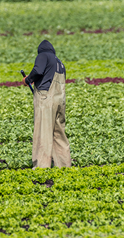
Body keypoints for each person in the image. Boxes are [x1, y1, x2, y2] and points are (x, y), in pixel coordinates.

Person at [23, 40, 71, 168]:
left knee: (43, 132)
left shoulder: (43, 55)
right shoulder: (60, 63)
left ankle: (41, 166)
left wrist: (28, 79)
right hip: (60, 100)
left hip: (46, 99)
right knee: (59, 133)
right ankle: (64, 165)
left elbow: (38, 71)